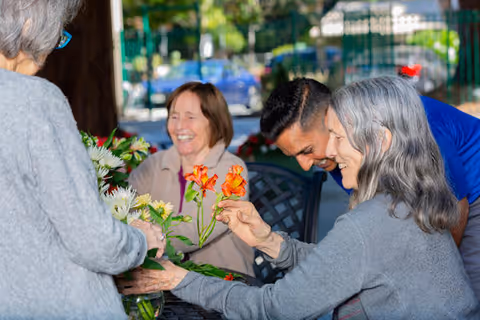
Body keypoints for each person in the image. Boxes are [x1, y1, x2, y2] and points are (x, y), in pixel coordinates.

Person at [118, 76, 480, 319]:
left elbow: (276, 307)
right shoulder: (406, 200)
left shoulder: (374, 219)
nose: (330, 156)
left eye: (338, 136)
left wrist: (179, 280)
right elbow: (348, 261)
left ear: (380, 141)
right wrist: (271, 242)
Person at [0, 1, 165, 318]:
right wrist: (141, 240)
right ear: (29, 26)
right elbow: (95, 241)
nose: (52, 47)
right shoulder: (36, 100)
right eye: (57, 33)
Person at [260, 77, 480, 300]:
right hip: (428, 196)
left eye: (307, 150)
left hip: (470, 197)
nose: (305, 165)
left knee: (462, 289)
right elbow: (378, 218)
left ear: (332, 120)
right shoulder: (337, 153)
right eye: (294, 155)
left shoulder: (408, 121)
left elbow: (455, 205)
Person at [129, 82, 254, 276]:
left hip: (222, 287)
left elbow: (194, 231)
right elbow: (123, 213)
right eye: (174, 117)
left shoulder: (231, 170)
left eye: (190, 117)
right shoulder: (152, 166)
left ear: (213, 121)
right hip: (160, 286)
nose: (179, 126)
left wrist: (136, 237)